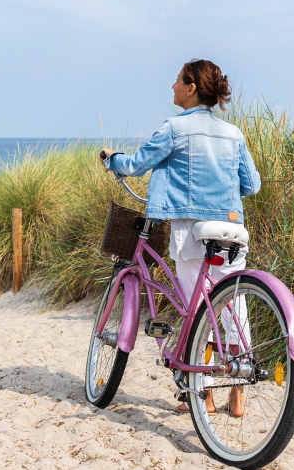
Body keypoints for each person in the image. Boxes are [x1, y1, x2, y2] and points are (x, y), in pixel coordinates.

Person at [99, 59, 261, 417]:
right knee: (234, 305)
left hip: (192, 231)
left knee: (197, 308)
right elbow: (252, 184)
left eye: (177, 81)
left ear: (191, 89)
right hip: (232, 230)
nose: (172, 86)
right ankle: (238, 392)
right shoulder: (234, 134)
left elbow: (137, 164)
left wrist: (112, 160)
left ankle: (200, 393)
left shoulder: (174, 128)